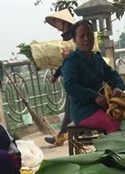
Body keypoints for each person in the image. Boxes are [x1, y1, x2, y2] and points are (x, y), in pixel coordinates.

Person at [62, 19, 125, 134]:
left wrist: (118, 87)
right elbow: (70, 86)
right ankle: (114, 151)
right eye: (82, 36)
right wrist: (94, 96)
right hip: (84, 110)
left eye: (89, 34)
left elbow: (112, 75)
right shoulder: (71, 61)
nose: (87, 39)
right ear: (75, 40)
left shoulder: (96, 59)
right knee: (113, 124)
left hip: (103, 107)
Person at [44, 9, 75, 147]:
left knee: (70, 109)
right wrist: (56, 75)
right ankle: (67, 135)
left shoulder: (71, 38)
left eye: (57, 21)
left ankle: (61, 138)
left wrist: (56, 74)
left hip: (75, 77)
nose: (56, 23)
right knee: (72, 108)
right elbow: (64, 61)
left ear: (64, 22)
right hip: (71, 76)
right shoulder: (66, 38)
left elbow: (68, 60)